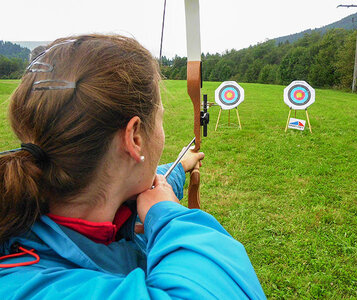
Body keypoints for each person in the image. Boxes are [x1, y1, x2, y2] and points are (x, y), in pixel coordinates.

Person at [0, 34, 266, 299]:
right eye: (160, 118)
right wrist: (167, 213)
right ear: (135, 138)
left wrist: (180, 167)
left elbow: (140, 181)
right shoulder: (30, 288)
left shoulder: (29, 202)